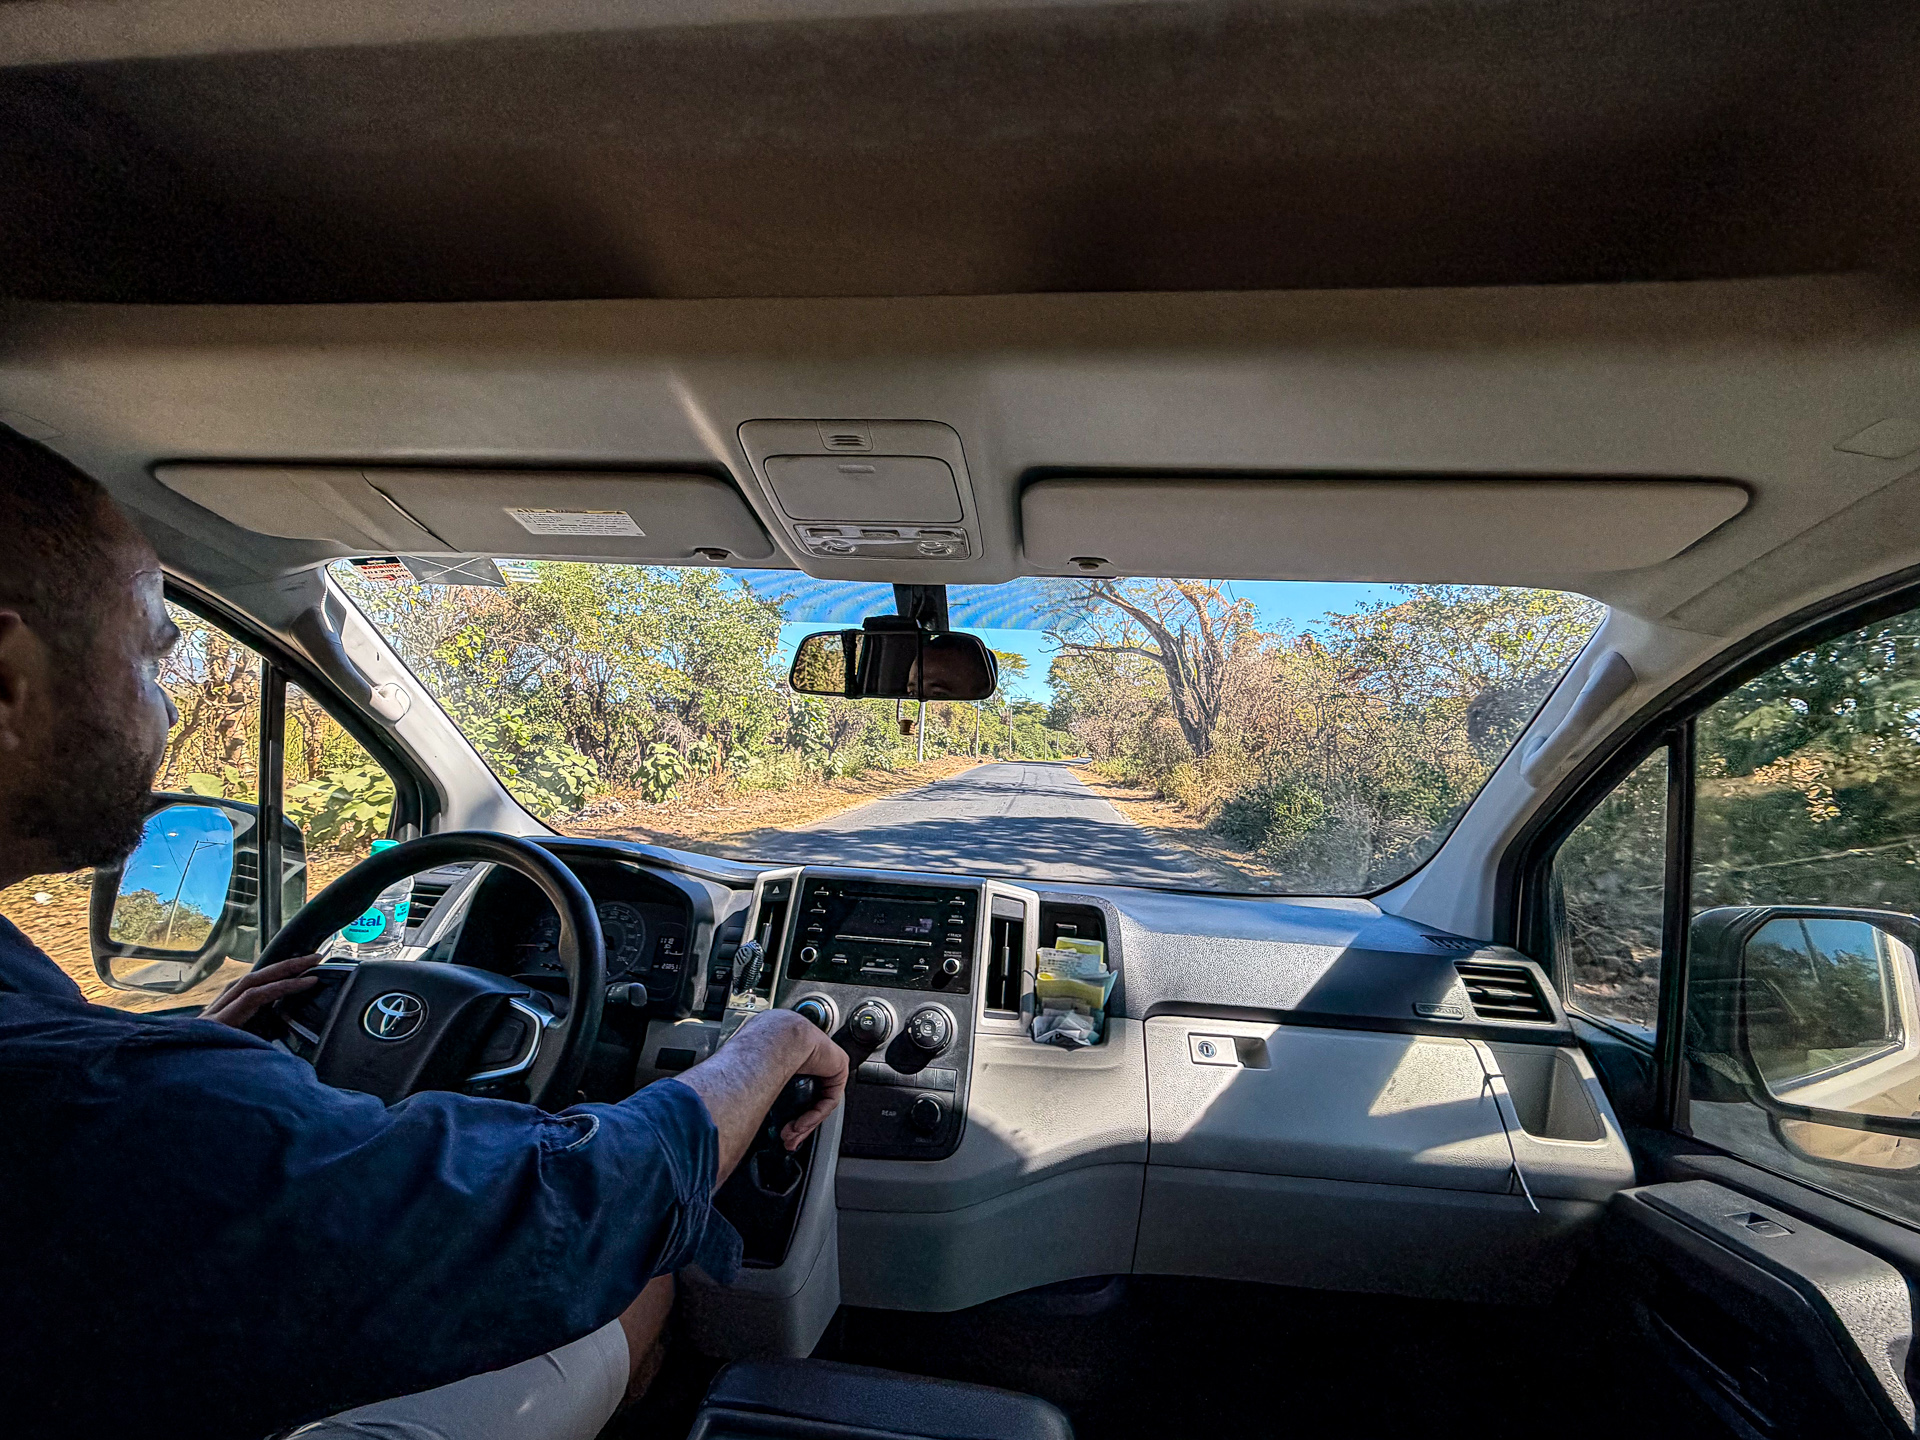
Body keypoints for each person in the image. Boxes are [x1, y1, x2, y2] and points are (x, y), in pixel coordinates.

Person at [0, 424, 849, 1440]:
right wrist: (771, 1042)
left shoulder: (105, 1074)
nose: (169, 713)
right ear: (7, 677)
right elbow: (571, 1215)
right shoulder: (123, 1108)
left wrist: (185, 1042)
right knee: (642, 1280)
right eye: (149, 661)